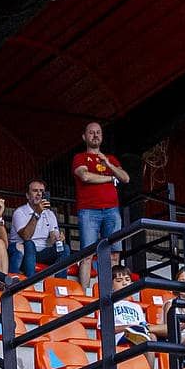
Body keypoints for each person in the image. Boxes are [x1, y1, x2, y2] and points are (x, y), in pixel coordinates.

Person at [72, 121, 129, 291]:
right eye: (91, 132)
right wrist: (111, 178)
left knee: (114, 254)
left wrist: (109, 165)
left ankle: (113, 293)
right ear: (84, 137)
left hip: (112, 210)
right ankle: (84, 296)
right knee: (87, 253)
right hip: (89, 210)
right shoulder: (80, 157)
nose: (95, 135)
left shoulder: (110, 158)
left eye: (98, 132)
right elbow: (85, 177)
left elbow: (125, 178)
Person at [12, 180, 67, 280]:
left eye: (41, 191)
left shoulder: (49, 213)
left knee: (64, 248)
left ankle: (60, 283)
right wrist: (37, 213)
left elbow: (53, 236)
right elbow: (26, 236)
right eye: (35, 191)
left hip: (42, 253)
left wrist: (58, 238)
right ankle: (30, 282)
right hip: (25, 252)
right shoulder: (20, 212)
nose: (39, 194)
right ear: (27, 196)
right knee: (30, 244)